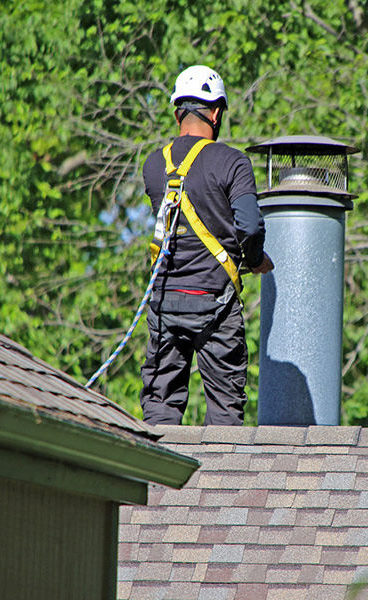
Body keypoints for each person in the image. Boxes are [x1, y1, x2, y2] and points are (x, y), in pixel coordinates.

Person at [140, 65, 273, 426]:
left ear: (177, 112)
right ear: (216, 113)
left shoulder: (154, 165)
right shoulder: (232, 162)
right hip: (215, 300)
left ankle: (157, 481)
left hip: (166, 298)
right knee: (225, 410)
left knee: (160, 406)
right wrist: (255, 260)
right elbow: (249, 225)